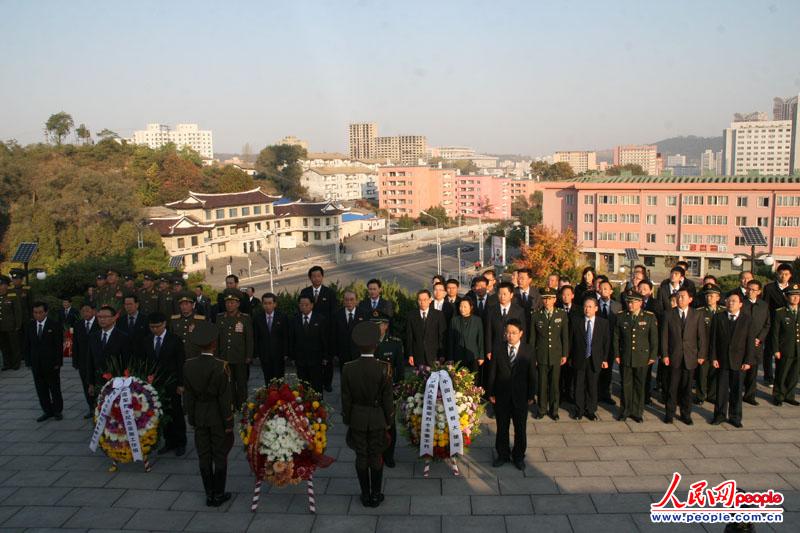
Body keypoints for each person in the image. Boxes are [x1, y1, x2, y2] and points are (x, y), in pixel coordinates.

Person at [341, 321, 394, 507]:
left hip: (357, 418)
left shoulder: (348, 368)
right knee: (376, 455)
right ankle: (376, 494)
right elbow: (388, 399)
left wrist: (347, 419)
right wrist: (389, 420)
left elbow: (346, 399)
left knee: (361, 456)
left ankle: (365, 495)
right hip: (378, 418)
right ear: (376, 343)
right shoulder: (384, 367)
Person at [183, 320, 234, 507]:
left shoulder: (188, 365)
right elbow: (224, 399)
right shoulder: (221, 366)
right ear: (214, 343)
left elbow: (188, 396)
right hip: (217, 418)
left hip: (199, 416)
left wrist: (191, 417)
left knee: (204, 455)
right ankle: (219, 494)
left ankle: (209, 494)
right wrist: (229, 422)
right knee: (219, 455)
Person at [486, 319, 536, 471]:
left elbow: (532, 375)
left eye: (514, 333)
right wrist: (491, 392)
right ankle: (502, 454)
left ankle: (519, 456)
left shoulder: (528, 350)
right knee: (502, 427)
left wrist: (531, 395)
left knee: (520, 428)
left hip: (520, 396)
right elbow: (492, 372)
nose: (510, 336)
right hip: (501, 395)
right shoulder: (498, 348)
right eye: (507, 333)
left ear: (521, 333)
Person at [140, 312, 187, 456]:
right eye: (152, 327)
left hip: (172, 383)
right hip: (155, 384)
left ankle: (180, 442)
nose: (154, 329)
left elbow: (181, 363)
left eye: (157, 326)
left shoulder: (174, 340)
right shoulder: (147, 340)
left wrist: (181, 384)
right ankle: (168, 442)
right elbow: (145, 362)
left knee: (176, 412)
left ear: (164, 324)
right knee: (162, 413)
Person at [660, 288, 707, 425]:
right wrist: (665, 354)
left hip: (690, 357)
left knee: (686, 389)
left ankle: (686, 414)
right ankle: (669, 413)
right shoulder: (669, 314)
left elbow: (701, 337)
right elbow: (664, 337)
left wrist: (701, 354)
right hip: (674, 356)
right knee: (671, 387)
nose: (680, 299)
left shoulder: (697, 315)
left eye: (683, 297)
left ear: (690, 299)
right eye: (678, 296)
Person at [709, 292, 755, 428]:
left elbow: (750, 342)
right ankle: (719, 415)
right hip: (722, 360)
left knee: (736, 390)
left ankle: (735, 417)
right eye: (729, 300)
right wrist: (713, 357)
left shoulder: (747, 320)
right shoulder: (718, 317)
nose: (730, 303)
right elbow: (713, 340)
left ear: (740, 304)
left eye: (734, 301)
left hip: (739, 361)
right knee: (721, 390)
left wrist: (748, 360)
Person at [613, 290, 658, 423]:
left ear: (640, 303)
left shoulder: (649, 317)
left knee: (639, 385)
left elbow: (654, 339)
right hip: (626, 355)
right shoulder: (621, 316)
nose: (630, 305)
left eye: (633, 302)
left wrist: (653, 355)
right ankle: (625, 410)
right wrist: (616, 354)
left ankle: (637, 412)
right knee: (626, 384)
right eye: (628, 302)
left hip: (642, 356)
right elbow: (616, 337)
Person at [530, 288, 569, 420]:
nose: (547, 301)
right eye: (545, 298)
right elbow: (532, 339)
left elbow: (565, 337)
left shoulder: (561, 314)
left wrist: (564, 354)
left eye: (550, 298)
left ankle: (554, 410)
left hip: (556, 355)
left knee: (554, 385)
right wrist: (532, 356)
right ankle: (541, 409)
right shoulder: (536, 315)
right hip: (541, 355)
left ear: (554, 299)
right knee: (542, 384)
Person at [569, 297, 610, 421]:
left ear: (596, 308)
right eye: (585, 306)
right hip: (579, 358)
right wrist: (569, 356)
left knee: (592, 386)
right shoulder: (576, 321)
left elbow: (606, 343)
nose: (587, 309)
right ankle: (579, 410)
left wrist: (604, 359)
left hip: (595, 359)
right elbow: (570, 341)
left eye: (590, 307)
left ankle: (591, 410)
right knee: (579, 385)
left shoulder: (603, 323)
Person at [372, 312, 404, 467]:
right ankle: (376, 453)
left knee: (390, 424)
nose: (376, 327)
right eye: (373, 325)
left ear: (386, 325)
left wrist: (398, 390)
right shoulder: (365, 341)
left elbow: (400, 370)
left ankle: (389, 455)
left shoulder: (394, 343)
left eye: (379, 324)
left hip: (389, 391)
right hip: (371, 390)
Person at [300, 266, 339, 391]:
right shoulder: (305, 292)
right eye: (313, 276)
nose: (316, 278)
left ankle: (327, 383)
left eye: (318, 276)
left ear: (322, 277)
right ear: (310, 278)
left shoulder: (330, 293)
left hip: (326, 332)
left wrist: (332, 333)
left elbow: (333, 314)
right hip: (310, 332)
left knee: (327, 360)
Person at [24, 302, 64, 422]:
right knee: (41, 389)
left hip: (51, 363)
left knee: (54, 387)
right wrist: (28, 362)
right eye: (35, 312)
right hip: (36, 363)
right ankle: (47, 411)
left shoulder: (54, 325)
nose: (38, 315)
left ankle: (57, 411)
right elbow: (27, 345)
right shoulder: (30, 325)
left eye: (40, 312)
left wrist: (58, 362)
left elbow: (58, 346)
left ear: (46, 312)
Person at [216, 291, 253, 410]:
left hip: (240, 356)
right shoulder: (220, 318)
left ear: (238, 304)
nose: (229, 305)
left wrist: (249, 355)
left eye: (232, 303)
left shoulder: (244, 318)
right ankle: (231, 405)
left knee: (241, 383)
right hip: (225, 356)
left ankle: (242, 405)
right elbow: (217, 338)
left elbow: (249, 338)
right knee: (228, 383)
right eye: (227, 302)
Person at [86, 305, 131, 398]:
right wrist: (91, 383)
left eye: (105, 317)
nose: (102, 320)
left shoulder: (123, 337)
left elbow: (127, 362)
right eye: (100, 317)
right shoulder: (93, 336)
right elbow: (90, 361)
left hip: (117, 382)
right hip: (98, 381)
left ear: (114, 318)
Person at [289, 295, 329, 395]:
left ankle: (318, 407)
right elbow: (292, 339)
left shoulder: (320, 319)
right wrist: (292, 357)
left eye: (306, 305)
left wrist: (325, 356)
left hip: (316, 359)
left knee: (317, 387)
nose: (304, 307)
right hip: (301, 360)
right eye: (301, 305)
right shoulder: (295, 319)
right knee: (303, 387)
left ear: (312, 305)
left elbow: (325, 339)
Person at [762, 264, 794, 384]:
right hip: (773, 323)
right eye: (781, 273)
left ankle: (783, 377)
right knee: (769, 351)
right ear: (777, 274)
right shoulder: (769, 288)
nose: (783, 276)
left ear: (790, 275)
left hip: (788, 325)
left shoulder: (793, 288)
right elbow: (766, 306)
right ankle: (768, 377)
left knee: (785, 351)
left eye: (786, 274)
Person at [742, 280, 770, 405]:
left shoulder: (763, 305)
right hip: (742, 343)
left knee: (753, 371)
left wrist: (760, 338)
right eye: (749, 289)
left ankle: (750, 395)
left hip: (757, 343)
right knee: (741, 370)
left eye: (753, 290)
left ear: (759, 292)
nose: (750, 292)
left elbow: (767, 324)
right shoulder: (741, 303)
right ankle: (736, 393)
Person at [696, 283, 726, 406]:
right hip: (704, 348)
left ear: (718, 297)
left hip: (718, 348)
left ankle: (712, 395)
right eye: (707, 296)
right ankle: (700, 395)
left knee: (715, 372)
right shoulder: (699, 312)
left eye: (712, 296)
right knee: (702, 373)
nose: (709, 298)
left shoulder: (723, 311)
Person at [771, 283, 800, 406]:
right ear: (787, 297)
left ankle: (789, 395)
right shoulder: (780, 312)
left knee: (794, 374)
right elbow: (775, 333)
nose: (795, 298)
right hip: (785, 348)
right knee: (781, 373)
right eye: (792, 296)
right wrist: (776, 349)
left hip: (798, 349)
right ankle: (778, 395)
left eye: (798, 295)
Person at [483, 281, 525, 363]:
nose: (502, 297)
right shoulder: (491, 310)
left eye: (505, 294)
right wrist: (488, 350)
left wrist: (522, 350)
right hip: (496, 348)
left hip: (513, 348)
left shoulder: (519, 311)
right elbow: (488, 331)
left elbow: (523, 332)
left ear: (511, 295)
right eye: (500, 294)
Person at [252, 292, 289, 384]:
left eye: (270, 303)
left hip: (279, 354)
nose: (267, 306)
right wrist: (256, 353)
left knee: (279, 379)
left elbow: (286, 336)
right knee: (268, 379)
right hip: (264, 354)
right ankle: (270, 397)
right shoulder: (257, 318)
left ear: (275, 304)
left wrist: (286, 352)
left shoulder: (282, 317)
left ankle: (281, 397)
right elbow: (256, 336)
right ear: (262, 304)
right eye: (265, 303)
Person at [406, 289, 447, 368]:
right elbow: (409, 336)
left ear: (430, 300)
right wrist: (410, 354)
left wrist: (442, 354)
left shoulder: (438, 315)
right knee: (418, 379)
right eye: (420, 300)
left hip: (434, 355)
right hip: (418, 355)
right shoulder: (411, 315)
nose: (422, 302)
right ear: (417, 301)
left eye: (425, 299)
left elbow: (442, 336)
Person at [72, 302, 100, 418]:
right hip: (83, 361)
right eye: (83, 311)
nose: (85, 313)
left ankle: (100, 408)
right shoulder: (78, 324)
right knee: (86, 385)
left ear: (94, 311)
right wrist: (75, 361)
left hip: (97, 361)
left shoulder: (100, 324)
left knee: (98, 385)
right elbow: (76, 344)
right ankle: (91, 408)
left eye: (87, 310)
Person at [597, 280, 622, 405]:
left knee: (608, 370)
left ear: (611, 291)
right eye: (601, 288)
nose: (604, 290)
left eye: (606, 288)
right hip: (596, 343)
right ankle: (595, 394)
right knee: (596, 369)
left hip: (611, 343)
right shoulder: (594, 305)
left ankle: (607, 394)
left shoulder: (617, 306)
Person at [448, 299, 484, 371]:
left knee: (473, 379)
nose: (462, 309)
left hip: (473, 355)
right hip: (458, 355)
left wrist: (481, 356)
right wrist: (450, 358)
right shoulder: (454, 320)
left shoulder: (477, 320)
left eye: (465, 307)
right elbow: (450, 340)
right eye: (461, 306)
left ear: (471, 307)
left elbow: (480, 339)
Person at [333, 291, 365, 372]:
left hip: (359, 354)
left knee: (358, 379)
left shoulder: (364, 314)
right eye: (346, 300)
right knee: (345, 379)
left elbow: (366, 335)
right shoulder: (337, 315)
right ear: (343, 301)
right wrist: (336, 353)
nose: (349, 302)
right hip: (343, 354)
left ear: (357, 301)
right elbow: (334, 335)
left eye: (352, 299)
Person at [170, 293, 207, 360]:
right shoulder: (174, 320)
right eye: (182, 304)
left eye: (187, 304)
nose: (184, 307)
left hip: (194, 356)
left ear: (192, 305)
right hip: (177, 356)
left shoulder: (200, 320)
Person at [0, 275, 22, 370]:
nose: (1, 287)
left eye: (2, 285)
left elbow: (17, 311)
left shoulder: (12, 295)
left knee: (14, 345)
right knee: (4, 346)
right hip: (1, 326)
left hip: (11, 325)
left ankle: (16, 364)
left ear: (6, 285)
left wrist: (18, 324)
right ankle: (7, 364)